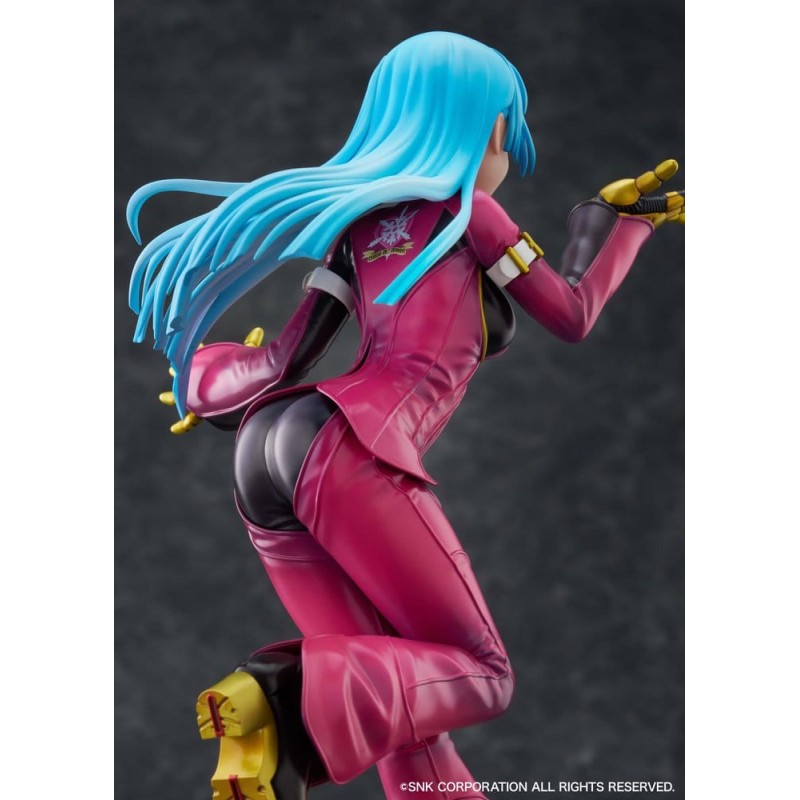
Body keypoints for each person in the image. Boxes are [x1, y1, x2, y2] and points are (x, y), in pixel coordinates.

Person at [127, 31, 684, 800]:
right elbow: (572, 312)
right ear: (490, 126)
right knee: (482, 672)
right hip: (352, 446)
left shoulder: (358, 228)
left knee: (403, 701)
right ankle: (281, 698)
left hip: (269, 449)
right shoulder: (471, 212)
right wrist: (619, 223)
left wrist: (201, 382)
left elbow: (280, 362)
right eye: (508, 128)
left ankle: (288, 716)